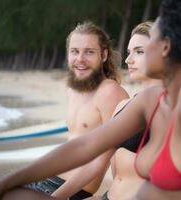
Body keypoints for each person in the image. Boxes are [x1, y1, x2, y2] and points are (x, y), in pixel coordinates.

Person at [0, 0, 181, 199]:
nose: (128, 58)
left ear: (166, 47)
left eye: (143, 46)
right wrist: (6, 182)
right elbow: (85, 147)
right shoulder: (152, 99)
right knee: (10, 194)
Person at [25, 21, 129, 199]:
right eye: (75, 51)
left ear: (103, 55)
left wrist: (57, 197)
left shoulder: (110, 92)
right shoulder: (74, 90)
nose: (80, 59)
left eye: (89, 52)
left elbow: (108, 156)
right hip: (48, 178)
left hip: (67, 189)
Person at [101, 21, 162, 200]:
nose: (128, 60)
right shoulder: (123, 106)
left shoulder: (170, 107)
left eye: (139, 51)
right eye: (129, 52)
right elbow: (101, 160)